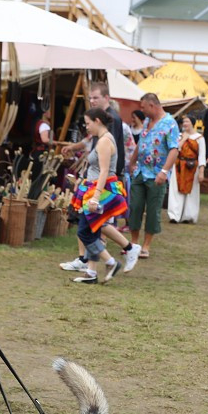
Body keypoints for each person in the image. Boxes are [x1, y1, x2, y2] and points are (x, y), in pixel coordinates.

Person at [59, 82, 138, 272]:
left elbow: (111, 153)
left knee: (94, 223)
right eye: (90, 98)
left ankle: (113, 256)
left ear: (106, 98)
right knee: (89, 222)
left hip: (104, 181)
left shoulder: (113, 122)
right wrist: (74, 147)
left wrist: (106, 185)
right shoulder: (97, 124)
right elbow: (91, 142)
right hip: (93, 180)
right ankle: (89, 264)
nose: (92, 100)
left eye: (95, 97)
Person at [71, 107, 128, 284]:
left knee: (85, 231)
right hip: (95, 190)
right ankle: (91, 272)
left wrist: (95, 197)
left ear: (97, 121)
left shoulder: (104, 141)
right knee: (90, 229)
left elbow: (104, 172)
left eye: (88, 123)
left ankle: (112, 261)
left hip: (100, 192)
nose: (86, 127)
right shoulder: (102, 139)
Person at [128, 93, 179, 257]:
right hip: (140, 172)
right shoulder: (147, 122)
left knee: (153, 210)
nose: (141, 111)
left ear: (152, 105)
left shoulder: (170, 124)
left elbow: (174, 149)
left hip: (157, 175)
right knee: (135, 206)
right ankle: (134, 243)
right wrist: (132, 161)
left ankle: (146, 246)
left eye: (143, 107)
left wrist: (164, 171)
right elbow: (141, 142)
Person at [168, 115, 205, 224]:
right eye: (184, 122)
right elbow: (175, 149)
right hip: (179, 165)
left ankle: (188, 216)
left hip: (192, 166)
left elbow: (202, 155)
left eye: (187, 121)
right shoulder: (179, 136)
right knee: (175, 190)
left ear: (192, 123)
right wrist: (184, 138)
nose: (185, 124)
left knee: (192, 191)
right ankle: (174, 215)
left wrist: (201, 171)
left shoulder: (199, 138)